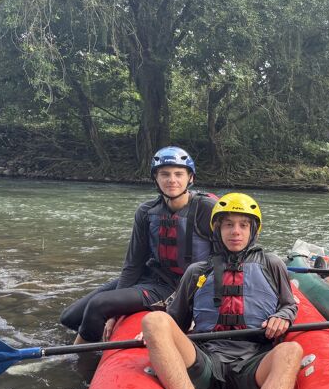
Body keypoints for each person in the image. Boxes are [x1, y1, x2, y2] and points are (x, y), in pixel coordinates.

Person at [138, 193, 302, 389]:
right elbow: (176, 320)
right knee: (153, 320)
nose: (236, 231)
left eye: (243, 225)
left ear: (253, 230)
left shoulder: (271, 263)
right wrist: (155, 333)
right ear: (217, 229)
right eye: (228, 225)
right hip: (205, 364)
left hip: (252, 364)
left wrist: (283, 315)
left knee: (291, 350)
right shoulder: (197, 271)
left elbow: (288, 304)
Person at [60, 146, 216, 344]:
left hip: (177, 287)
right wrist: (115, 313)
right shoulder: (147, 211)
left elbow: (222, 258)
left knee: (99, 305)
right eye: (164, 174)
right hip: (150, 277)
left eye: (178, 174)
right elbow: (133, 263)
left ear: (190, 178)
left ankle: (79, 362)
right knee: (70, 317)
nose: (172, 180)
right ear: (155, 178)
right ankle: (101, 340)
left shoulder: (206, 209)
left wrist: (195, 306)